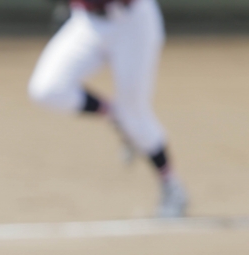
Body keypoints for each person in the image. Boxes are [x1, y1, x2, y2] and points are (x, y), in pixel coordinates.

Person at [28, 0, 188, 217]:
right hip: (87, 23)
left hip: (132, 23)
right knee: (47, 89)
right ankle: (115, 116)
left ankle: (171, 186)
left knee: (135, 116)